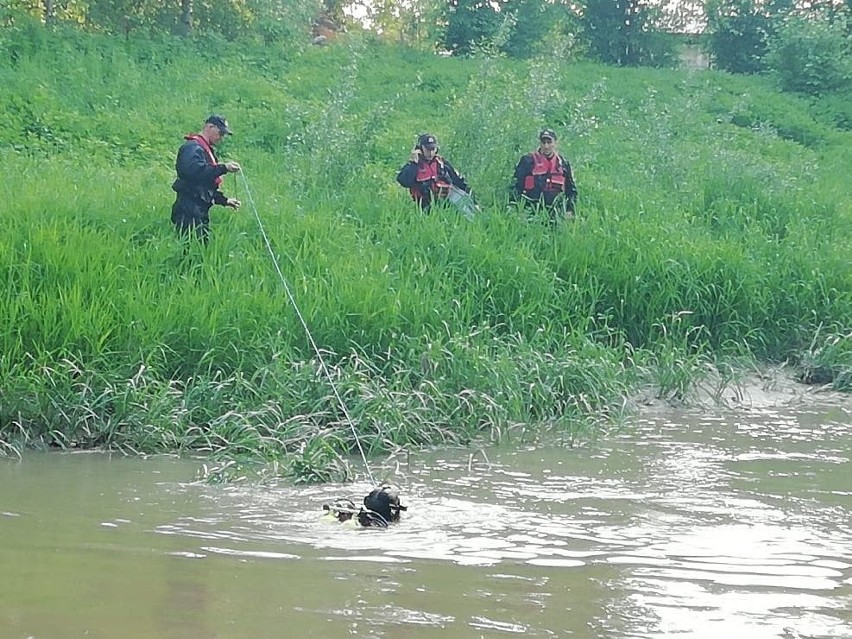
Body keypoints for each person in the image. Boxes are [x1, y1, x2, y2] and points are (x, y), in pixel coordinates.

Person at [171, 114, 242, 243]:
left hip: (198, 210)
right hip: (188, 209)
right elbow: (194, 173)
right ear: (210, 127)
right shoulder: (192, 148)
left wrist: (225, 200)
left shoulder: (204, 149)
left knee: (200, 248)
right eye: (220, 133)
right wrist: (224, 168)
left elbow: (205, 185)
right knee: (189, 249)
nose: (221, 138)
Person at [511, 128, 577, 221]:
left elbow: (571, 191)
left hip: (556, 214)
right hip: (530, 212)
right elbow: (515, 186)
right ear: (540, 143)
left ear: (555, 143)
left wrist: (570, 210)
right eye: (543, 142)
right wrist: (517, 209)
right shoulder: (527, 161)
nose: (546, 146)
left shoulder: (563, 164)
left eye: (549, 142)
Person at [396, 133, 471, 212]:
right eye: (428, 149)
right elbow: (404, 182)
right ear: (420, 149)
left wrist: (470, 193)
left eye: (433, 149)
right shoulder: (413, 165)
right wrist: (414, 163)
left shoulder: (442, 163)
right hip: (425, 206)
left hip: (446, 203)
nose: (431, 153)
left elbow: (458, 180)